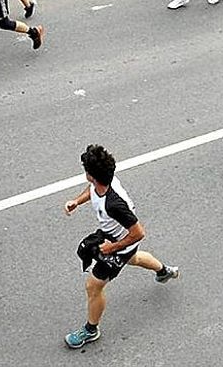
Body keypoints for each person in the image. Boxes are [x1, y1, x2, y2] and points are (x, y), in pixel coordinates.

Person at [63, 145, 180, 349]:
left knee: (93, 286)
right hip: (116, 238)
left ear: (91, 175)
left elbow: (139, 233)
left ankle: (91, 330)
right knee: (134, 258)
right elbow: (92, 190)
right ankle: (164, 271)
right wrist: (77, 201)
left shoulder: (114, 205)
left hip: (119, 245)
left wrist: (112, 248)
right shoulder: (105, 182)